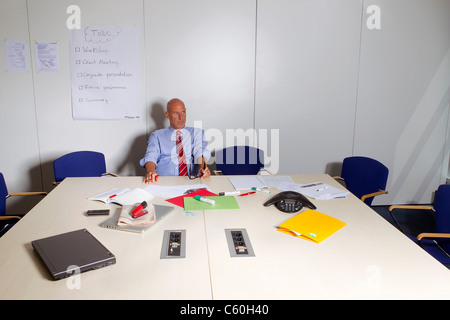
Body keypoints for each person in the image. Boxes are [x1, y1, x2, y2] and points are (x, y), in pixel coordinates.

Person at [140, 98, 210, 184]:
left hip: (192, 181)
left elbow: (199, 152)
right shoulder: (157, 135)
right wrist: (151, 172)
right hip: (164, 182)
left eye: (183, 112)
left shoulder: (197, 133)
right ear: (167, 115)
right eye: (176, 113)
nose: (181, 117)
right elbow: (151, 156)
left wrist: (202, 168)